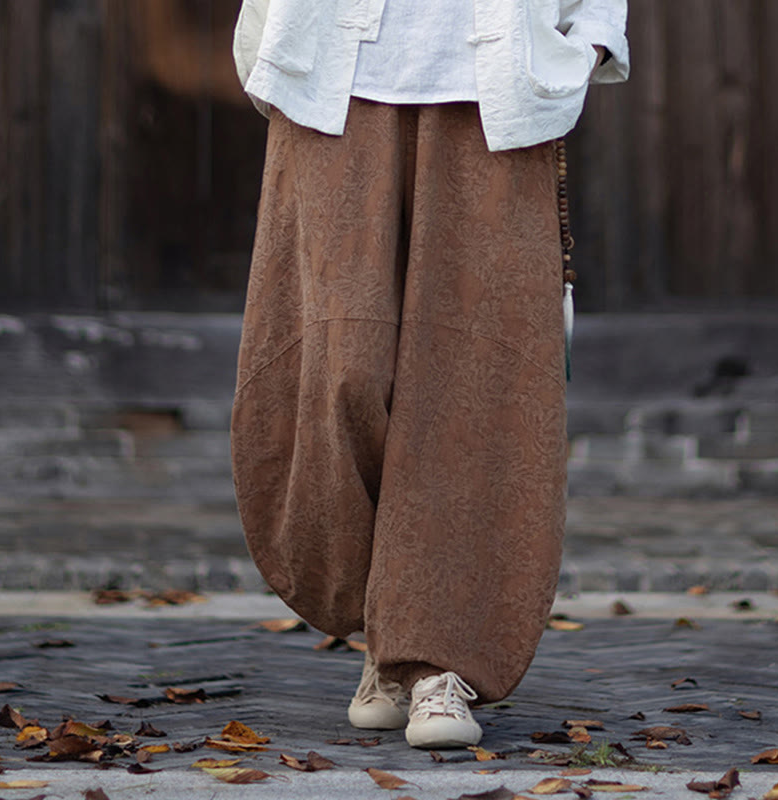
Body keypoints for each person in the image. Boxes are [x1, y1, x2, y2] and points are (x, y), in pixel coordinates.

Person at [231, 0, 629, 750]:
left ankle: (432, 660)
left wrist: (594, 38)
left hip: (496, 93)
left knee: (473, 380)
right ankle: (387, 622)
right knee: (343, 368)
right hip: (331, 81)